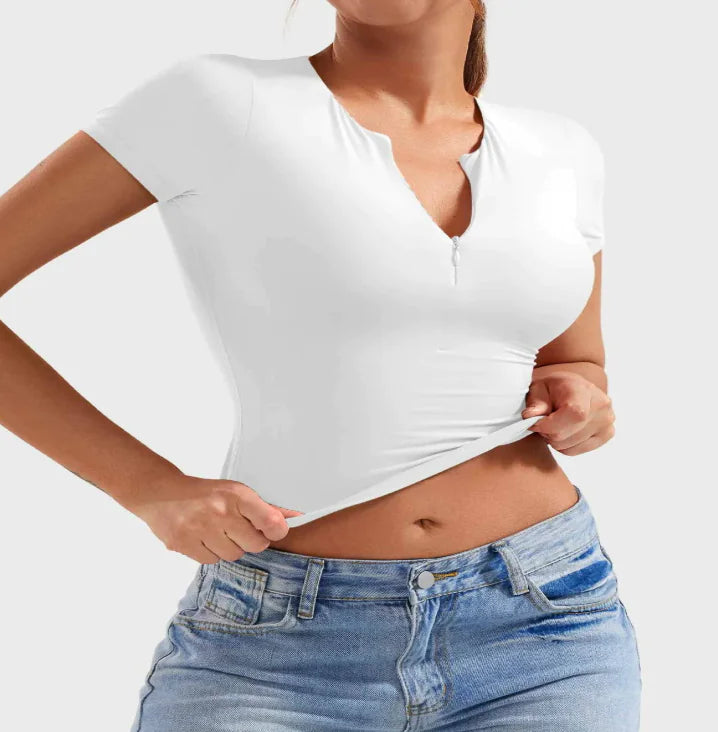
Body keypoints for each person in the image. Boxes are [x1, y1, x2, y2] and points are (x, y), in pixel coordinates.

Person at [0, 1, 641, 729]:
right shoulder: (217, 102)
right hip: (274, 651)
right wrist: (146, 486)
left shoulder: (563, 150)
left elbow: (576, 360)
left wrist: (584, 398)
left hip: (546, 623)